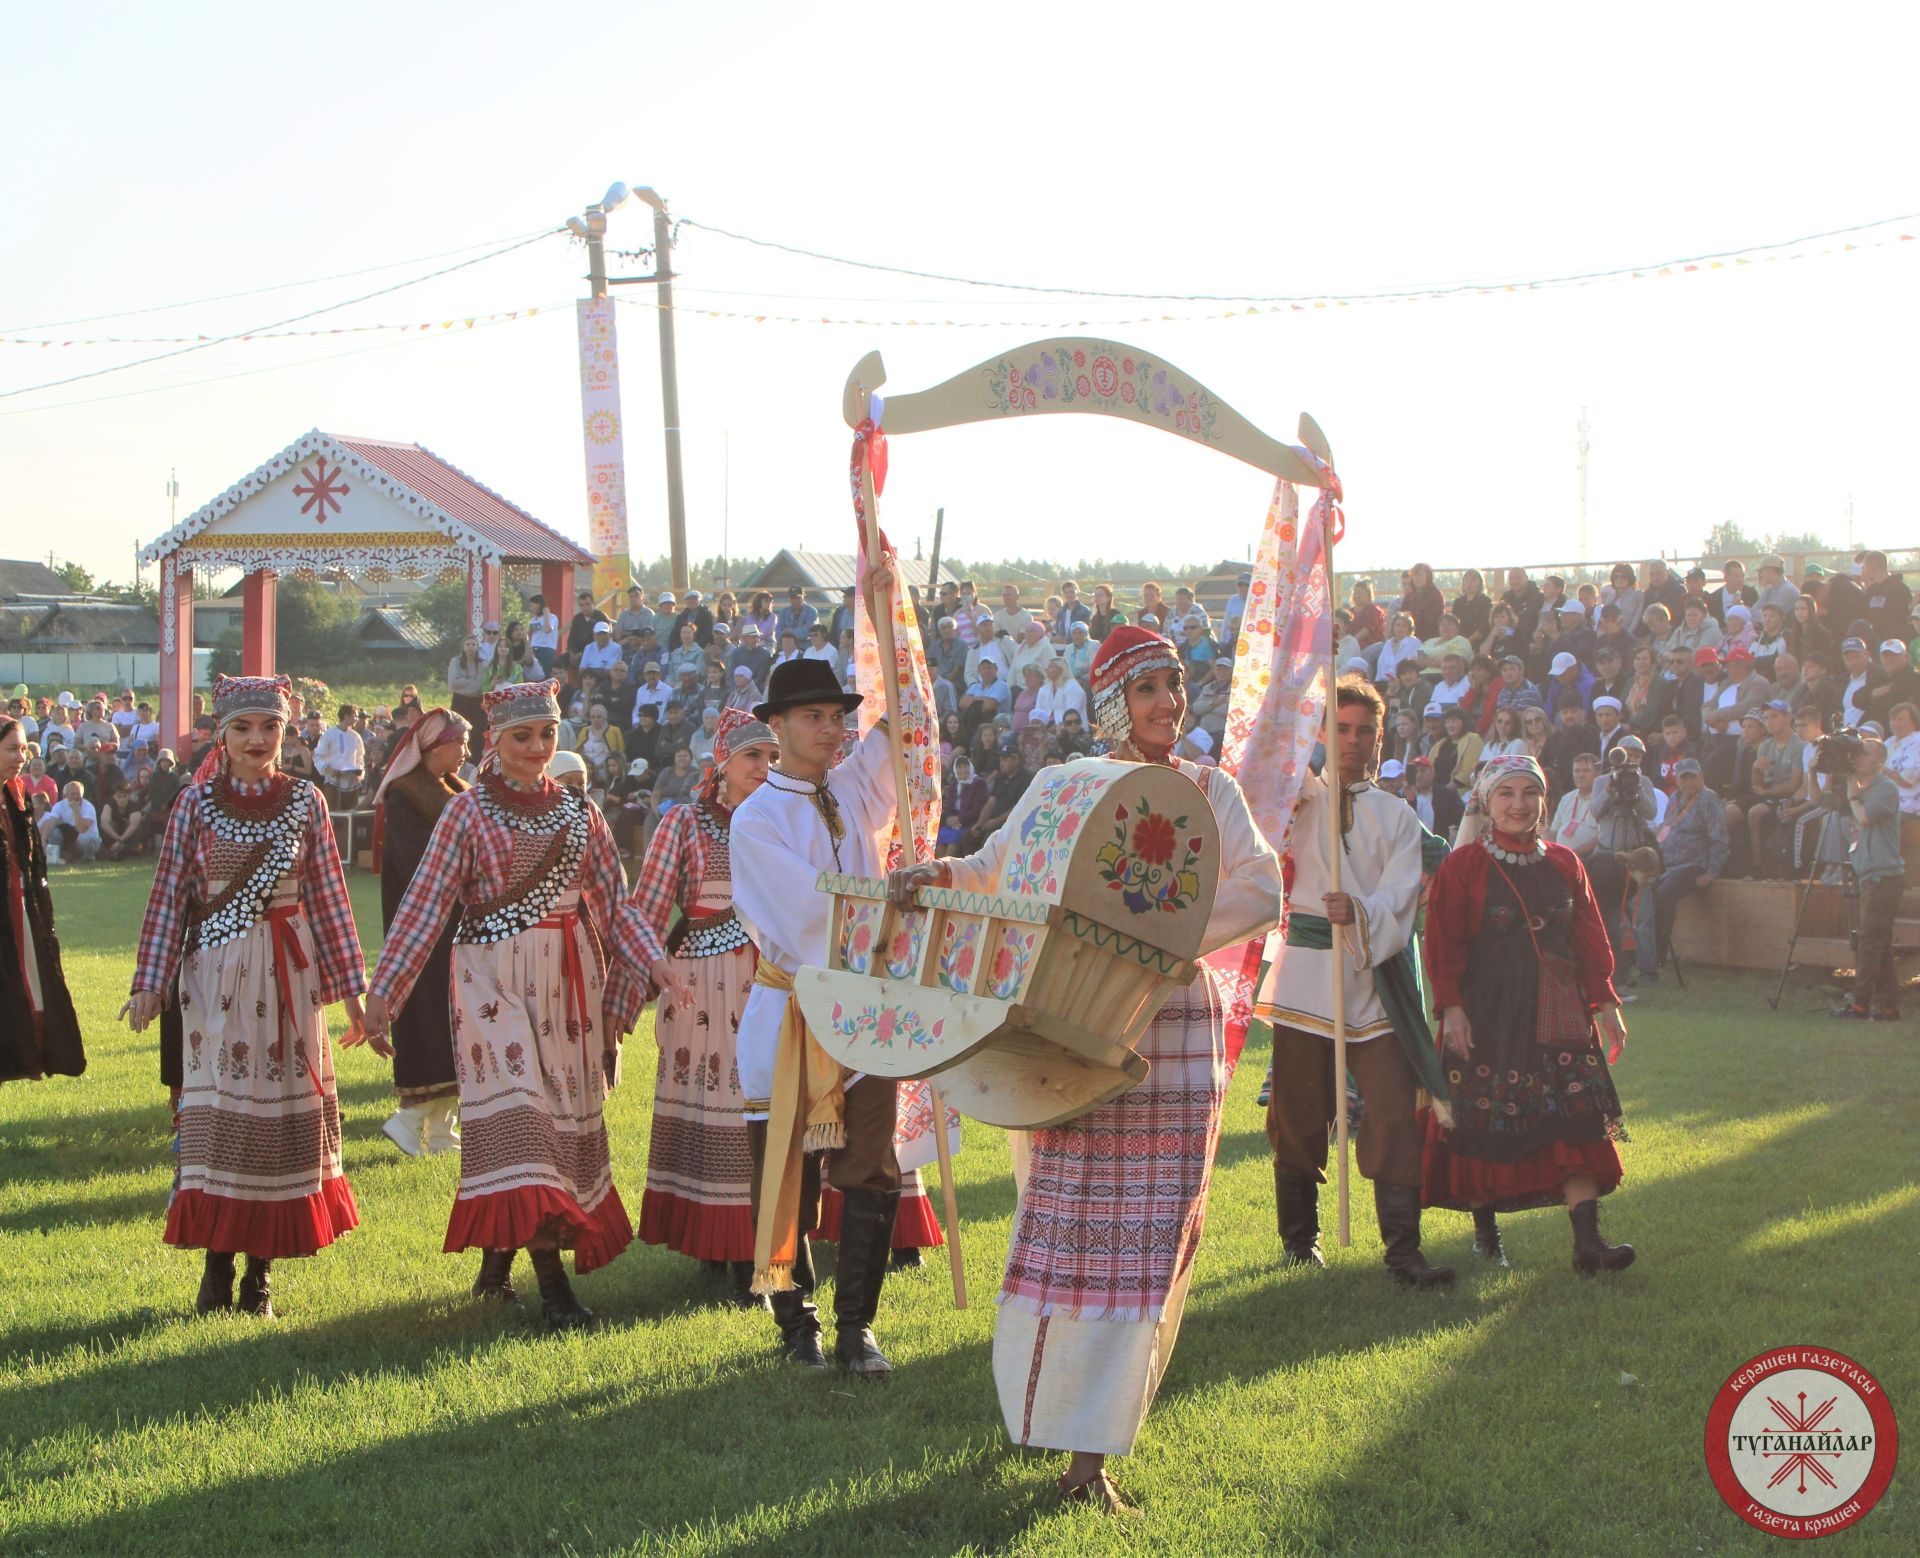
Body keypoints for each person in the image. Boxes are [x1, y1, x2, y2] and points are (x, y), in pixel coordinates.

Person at [886, 623, 1280, 1510]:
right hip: (1073, 1027)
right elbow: (999, 869)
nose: (1167, 705)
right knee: (1063, 1224)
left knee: (1145, 1241)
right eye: (1147, 690)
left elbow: (1262, 888)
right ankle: (1044, 1410)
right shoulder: (1064, 789)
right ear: (1111, 703)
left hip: (1168, 1036)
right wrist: (936, 872)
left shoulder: (1211, 793)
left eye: (1175, 687)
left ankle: (1091, 1456)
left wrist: (1156, 933)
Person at [363, 680, 672, 1329]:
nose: (536, 748)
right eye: (522, 736)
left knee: (555, 1125)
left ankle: (498, 1262)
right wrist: (383, 995)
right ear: (496, 741)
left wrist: (657, 962)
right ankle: (554, 1291)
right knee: (524, 1122)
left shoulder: (580, 815)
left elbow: (616, 907)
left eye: (547, 735)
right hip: (489, 984)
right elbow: (422, 912)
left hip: (568, 984)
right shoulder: (466, 814)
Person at [123, 675, 369, 1318]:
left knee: (280, 1120)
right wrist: (150, 983)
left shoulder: (308, 802)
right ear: (222, 736)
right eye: (243, 728)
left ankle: (259, 1278)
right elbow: (168, 896)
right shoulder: (193, 805)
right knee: (219, 1117)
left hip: (291, 975)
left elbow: (331, 901)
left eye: (270, 727)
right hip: (215, 981)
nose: (257, 740)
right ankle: (215, 1272)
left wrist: (354, 997)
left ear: (286, 734)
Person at [728, 649, 908, 1377]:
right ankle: (796, 1323)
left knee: (871, 1166)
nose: (833, 730)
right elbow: (808, 915)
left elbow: (904, 725)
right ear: (776, 726)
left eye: (838, 717)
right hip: (794, 1012)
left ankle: (857, 1326)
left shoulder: (852, 791)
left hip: (864, 1011)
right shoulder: (756, 819)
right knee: (789, 1175)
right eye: (815, 717)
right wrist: (889, 905)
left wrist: (889, 602)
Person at [1259, 676, 1455, 1289]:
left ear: (1379, 736)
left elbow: (1403, 891)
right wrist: (1287, 806)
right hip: (1304, 978)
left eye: (1363, 730)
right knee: (1297, 1112)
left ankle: (1403, 1254)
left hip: (1374, 975)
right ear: (1320, 733)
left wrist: (1363, 912)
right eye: (1340, 729)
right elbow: (1261, 847)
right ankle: (1299, 1244)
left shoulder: (1397, 815)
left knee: (1393, 1110)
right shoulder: (1295, 799)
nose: (1352, 741)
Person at [1422, 756, 1635, 1274]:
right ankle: (1486, 1231)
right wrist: (1452, 1008)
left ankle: (1588, 1244)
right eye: (1506, 794)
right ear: (1486, 801)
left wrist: (1605, 1003)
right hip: (1487, 1009)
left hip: (1558, 1007)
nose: (1519, 804)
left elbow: (1587, 934)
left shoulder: (1565, 861)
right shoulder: (1464, 865)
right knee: (1484, 1116)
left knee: (1577, 1113)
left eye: (1530, 793)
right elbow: (1443, 940)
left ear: (1543, 799)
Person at [602, 708, 781, 1307]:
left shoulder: (788, 816)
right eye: (752, 756)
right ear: (721, 764)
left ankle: (758, 1245)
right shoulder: (685, 821)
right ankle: (717, 1245)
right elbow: (645, 911)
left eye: (773, 757)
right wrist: (619, 1012)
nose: (764, 768)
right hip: (703, 990)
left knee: (766, 1109)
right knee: (721, 1105)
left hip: (772, 984)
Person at [371, 709, 471, 1159]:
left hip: (457, 926)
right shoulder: (404, 797)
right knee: (430, 1022)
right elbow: (418, 870)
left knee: (456, 1024)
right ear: (435, 747)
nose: (466, 752)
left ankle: (440, 1134)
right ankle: (410, 1120)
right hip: (425, 930)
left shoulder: (456, 791)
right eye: (459, 742)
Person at [0, 716, 86, 1083]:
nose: (20, 756)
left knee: (22, 996)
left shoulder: (13, 795)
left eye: (23, 748)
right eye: (11, 749)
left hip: (17, 908)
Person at [1828, 735, 1905, 1020]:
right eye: (1858, 754)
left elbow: (1865, 817)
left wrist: (1851, 793)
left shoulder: (1887, 789)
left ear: (1880, 761)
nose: (1859, 758)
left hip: (1884, 878)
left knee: (1870, 944)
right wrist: (1815, 772)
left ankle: (1860, 1006)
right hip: (1870, 876)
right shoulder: (1859, 790)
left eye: (1866, 754)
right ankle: (1889, 1008)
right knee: (1879, 945)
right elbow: (1823, 802)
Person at [1634, 758, 1729, 985]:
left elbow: (1720, 839)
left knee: (1664, 896)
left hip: (1693, 864)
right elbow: (1667, 828)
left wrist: (1712, 872)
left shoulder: (1709, 800)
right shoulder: (1675, 798)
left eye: (1692, 777)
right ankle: (1643, 957)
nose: (1688, 782)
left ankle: (1657, 957)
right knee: (1646, 892)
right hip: (1667, 863)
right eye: (1683, 777)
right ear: (1677, 779)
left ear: (1701, 777)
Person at [313, 703, 366, 812]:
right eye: (354, 716)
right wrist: (328, 769)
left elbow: (360, 756)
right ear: (346, 716)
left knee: (350, 814)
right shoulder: (329, 734)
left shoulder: (355, 736)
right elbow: (318, 756)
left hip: (351, 781)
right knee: (333, 814)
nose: (356, 719)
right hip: (333, 781)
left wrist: (359, 770)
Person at [42, 781, 100, 863]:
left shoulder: (88, 807)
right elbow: (51, 823)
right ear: (66, 795)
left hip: (88, 839)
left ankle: (88, 859)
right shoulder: (59, 805)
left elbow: (82, 829)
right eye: (73, 794)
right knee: (53, 833)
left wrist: (76, 810)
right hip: (69, 837)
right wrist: (43, 839)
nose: (75, 796)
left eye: (78, 794)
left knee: (85, 838)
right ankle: (60, 857)